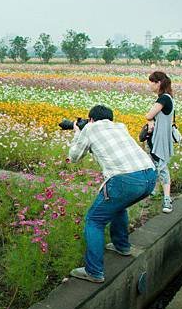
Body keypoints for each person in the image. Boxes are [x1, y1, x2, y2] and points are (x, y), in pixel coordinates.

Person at [66, 105, 157, 283]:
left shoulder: (90, 128)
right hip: (150, 176)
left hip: (125, 180)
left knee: (94, 220)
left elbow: (74, 157)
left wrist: (78, 131)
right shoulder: (119, 126)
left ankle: (93, 271)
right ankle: (122, 246)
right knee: (118, 206)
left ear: (91, 119)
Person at [144, 71, 182, 213]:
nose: (150, 84)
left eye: (152, 81)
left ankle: (167, 200)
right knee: (154, 166)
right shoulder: (167, 98)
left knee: (161, 167)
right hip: (157, 138)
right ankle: (155, 191)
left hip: (159, 139)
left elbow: (149, 114)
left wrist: (149, 120)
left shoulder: (164, 99)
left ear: (158, 83)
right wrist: (150, 122)